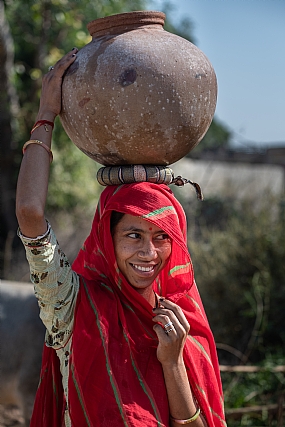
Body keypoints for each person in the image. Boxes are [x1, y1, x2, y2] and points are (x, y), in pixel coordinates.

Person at [16, 49, 227, 427]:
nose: (149, 252)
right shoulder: (72, 304)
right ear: (106, 239)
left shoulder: (180, 320)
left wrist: (173, 360)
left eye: (162, 236)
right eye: (133, 234)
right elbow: (30, 215)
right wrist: (46, 114)